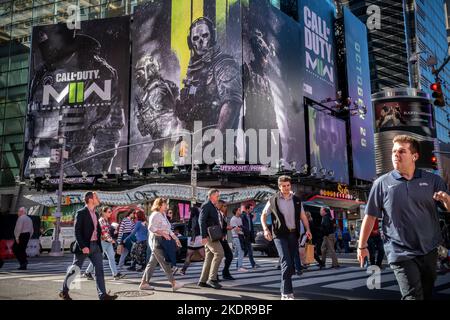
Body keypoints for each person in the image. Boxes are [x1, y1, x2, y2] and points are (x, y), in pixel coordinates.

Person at [358, 134, 450, 300]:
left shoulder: (433, 180)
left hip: (429, 249)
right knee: (413, 297)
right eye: (394, 151)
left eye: (401, 151)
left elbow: (448, 209)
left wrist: (447, 200)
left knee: (426, 294)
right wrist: (361, 246)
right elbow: (370, 216)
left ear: (414, 156)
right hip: (399, 251)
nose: (395, 154)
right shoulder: (381, 183)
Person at [177, 17, 242, 134]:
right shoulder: (192, 73)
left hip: (218, 147)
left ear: (212, 36)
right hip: (194, 144)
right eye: (195, 38)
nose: (200, 41)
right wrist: (182, 143)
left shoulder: (224, 63)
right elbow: (185, 114)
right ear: (190, 42)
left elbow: (231, 103)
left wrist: (216, 138)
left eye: (205, 35)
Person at [261, 175, 312, 300]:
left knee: (290, 265)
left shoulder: (296, 200)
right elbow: (263, 215)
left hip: (293, 234)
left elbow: (303, 216)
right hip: (279, 235)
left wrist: (308, 230)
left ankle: (286, 290)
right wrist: (265, 229)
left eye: (288, 185)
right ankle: (286, 292)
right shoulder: (273, 200)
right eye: (283, 186)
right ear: (279, 187)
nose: (286, 188)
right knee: (286, 262)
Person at [59, 192, 117, 300]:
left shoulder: (95, 214)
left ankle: (102, 295)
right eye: (96, 197)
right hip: (85, 246)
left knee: (99, 270)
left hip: (96, 246)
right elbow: (77, 231)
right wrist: (83, 246)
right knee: (75, 269)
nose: (98, 199)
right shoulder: (81, 213)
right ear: (90, 200)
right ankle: (64, 291)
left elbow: (97, 230)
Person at [134, 54, 180, 167]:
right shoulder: (153, 90)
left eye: (139, 73)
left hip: (167, 140)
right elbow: (144, 130)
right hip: (165, 141)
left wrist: (141, 113)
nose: (137, 77)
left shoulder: (157, 90)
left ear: (149, 70)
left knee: (147, 172)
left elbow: (148, 127)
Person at [139, 198, 183, 292]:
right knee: (164, 262)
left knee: (152, 263)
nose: (166, 206)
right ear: (159, 205)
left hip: (162, 240)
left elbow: (168, 229)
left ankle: (144, 283)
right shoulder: (155, 214)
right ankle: (173, 283)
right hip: (157, 240)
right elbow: (151, 227)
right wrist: (163, 233)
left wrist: (176, 238)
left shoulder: (163, 215)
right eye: (165, 204)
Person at [84, 207, 124, 281]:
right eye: (109, 212)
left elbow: (107, 231)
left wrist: (112, 233)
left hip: (107, 242)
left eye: (110, 212)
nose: (110, 213)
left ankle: (115, 274)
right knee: (97, 258)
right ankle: (88, 272)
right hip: (102, 242)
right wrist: (112, 240)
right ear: (103, 212)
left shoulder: (106, 220)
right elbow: (103, 232)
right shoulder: (101, 220)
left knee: (111, 258)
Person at [198, 189, 225, 289]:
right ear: (211, 196)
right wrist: (203, 236)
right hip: (209, 235)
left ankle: (203, 280)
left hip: (213, 235)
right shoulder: (206, 205)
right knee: (219, 253)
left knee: (209, 257)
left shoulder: (212, 206)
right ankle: (212, 279)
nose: (218, 198)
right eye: (217, 196)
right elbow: (201, 221)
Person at [180, 204, 205, 275]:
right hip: (196, 238)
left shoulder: (192, 218)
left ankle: (183, 270)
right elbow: (194, 228)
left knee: (189, 255)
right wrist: (193, 239)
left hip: (191, 238)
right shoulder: (196, 217)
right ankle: (208, 270)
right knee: (204, 255)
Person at [217, 200, 235, 280]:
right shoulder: (218, 215)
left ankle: (225, 272)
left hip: (223, 238)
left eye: (226, 206)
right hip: (218, 239)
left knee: (229, 256)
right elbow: (218, 227)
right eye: (224, 206)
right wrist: (227, 228)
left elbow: (222, 227)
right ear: (220, 206)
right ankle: (215, 275)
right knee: (218, 257)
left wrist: (228, 228)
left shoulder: (223, 215)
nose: (226, 207)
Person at [241, 203, 259, 269]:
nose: (252, 210)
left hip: (249, 235)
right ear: (247, 209)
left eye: (252, 209)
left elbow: (252, 221)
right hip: (245, 235)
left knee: (247, 251)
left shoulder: (250, 216)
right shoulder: (243, 216)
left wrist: (254, 216)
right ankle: (252, 264)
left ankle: (252, 264)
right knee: (248, 251)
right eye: (251, 209)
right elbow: (241, 225)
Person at [230, 207, 247, 272]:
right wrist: (242, 229)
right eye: (239, 210)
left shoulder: (239, 218)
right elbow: (236, 229)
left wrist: (241, 228)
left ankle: (238, 265)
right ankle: (239, 267)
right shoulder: (233, 219)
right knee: (241, 251)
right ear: (236, 211)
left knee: (236, 253)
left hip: (240, 236)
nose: (240, 211)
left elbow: (240, 227)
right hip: (236, 237)